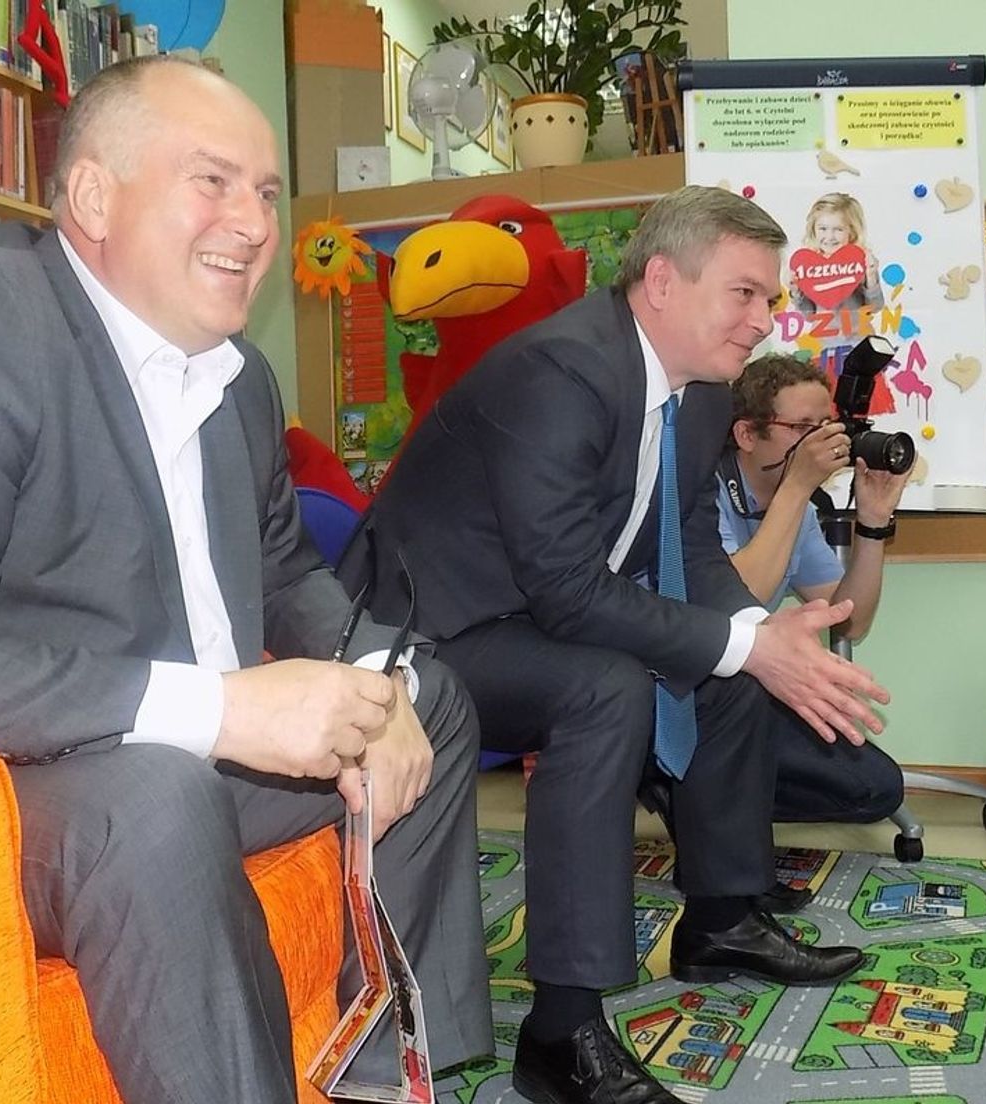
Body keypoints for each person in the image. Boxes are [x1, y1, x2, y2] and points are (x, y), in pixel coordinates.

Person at [0, 56, 491, 1104]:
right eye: (213, 181)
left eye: (267, 193)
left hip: (177, 757)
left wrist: (377, 676)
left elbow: (287, 570)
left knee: (429, 697)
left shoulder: (240, 381)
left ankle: (386, 1076)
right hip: (5, 783)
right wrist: (221, 708)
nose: (254, 223)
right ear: (94, 197)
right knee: (156, 795)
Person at [344, 185, 889, 1104]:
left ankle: (723, 918)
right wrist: (743, 644)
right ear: (663, 282)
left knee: (727, 662)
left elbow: (689, 548)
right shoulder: (560, 372)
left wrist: (760, 634)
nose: (764, 320)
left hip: (524, 617)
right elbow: (567, 588)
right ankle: (561, 1031)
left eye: (769, 298)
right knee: (609, 685)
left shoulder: (701, 397)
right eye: (745, 294)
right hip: (420, 636)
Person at [716, 354, 907, 827]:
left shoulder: (796, 507)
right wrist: (798, 486)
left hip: (749, 685)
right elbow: (733, 601)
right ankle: (675, 784)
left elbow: (850, 620)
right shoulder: (701, 492)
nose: (822, 442)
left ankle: (702, 795)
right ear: (746, 434)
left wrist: (872, 522)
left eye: (826, 426)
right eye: (802, 427)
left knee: (873, 789)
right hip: (684, 682)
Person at [787, 192, 883, 313]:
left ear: (852, 231)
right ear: (813, 229)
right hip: (821, 326)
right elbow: (808, 314)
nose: (830, 237)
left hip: (858, 326)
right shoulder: (808, 267)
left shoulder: (860, 263)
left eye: (838, 229)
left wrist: (871, 278)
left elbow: (875, 308)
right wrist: (796, 291)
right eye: (823, 229)